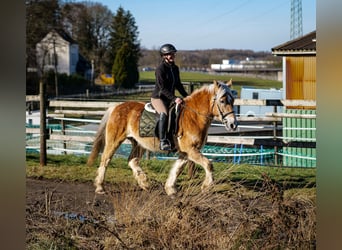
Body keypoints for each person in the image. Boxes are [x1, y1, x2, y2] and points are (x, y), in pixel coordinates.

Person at [151, 43, 189, 151]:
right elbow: (162, 88)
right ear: (164, 56)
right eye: (168, 54)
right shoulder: (160, 69)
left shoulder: (175, 68)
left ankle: (173, 137)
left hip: (170, 98)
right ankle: (163, 141)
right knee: (164, 114)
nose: (171, 55)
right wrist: (174, 98)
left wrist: (188, 96)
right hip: (158, 98)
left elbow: (178, 85)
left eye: (172, 53)